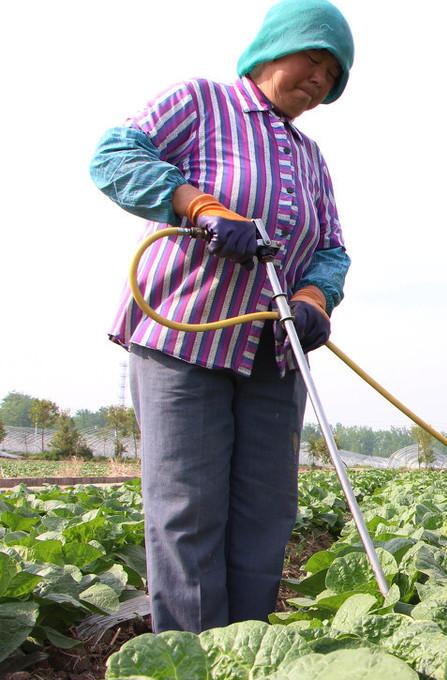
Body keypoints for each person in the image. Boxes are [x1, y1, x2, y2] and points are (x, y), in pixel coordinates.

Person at [89, 0, 354, 632]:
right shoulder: (202, 102)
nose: (317, 82)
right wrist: (199, 206)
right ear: (272, 49)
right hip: (185, 335)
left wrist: (315, 298)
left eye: (331, 77)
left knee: (266, 511)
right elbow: (114, 155)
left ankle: (246, 655)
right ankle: (191, 667)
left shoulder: (310, 156)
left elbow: (332, 248)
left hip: (273, 351)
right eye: (310, 62)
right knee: (187, 508)